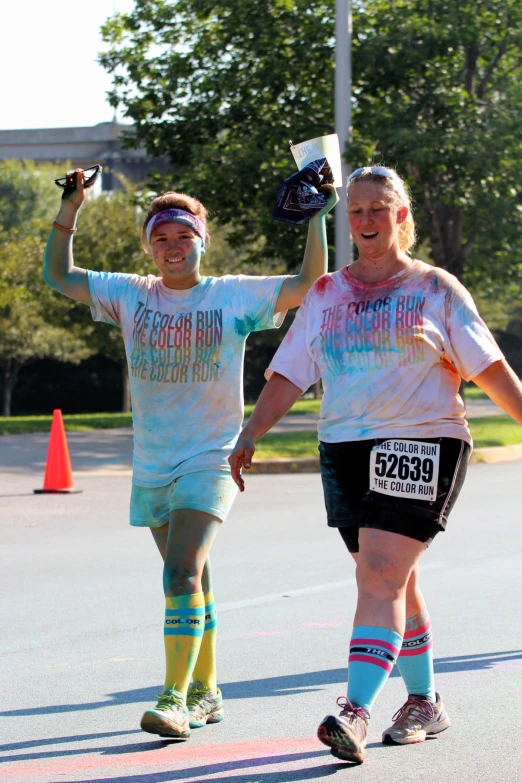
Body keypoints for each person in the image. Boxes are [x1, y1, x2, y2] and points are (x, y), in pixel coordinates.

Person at [229, 165, 522, 763]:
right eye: (356, 209)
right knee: (394, 579)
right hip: (345, 450)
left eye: (378, 208)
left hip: (423, 442)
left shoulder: (435, 289)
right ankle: (425, 701)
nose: (365, 219)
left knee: (380, 573)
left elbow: (489, 368)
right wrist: (251, 431)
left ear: (401, 216)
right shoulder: (326, 293)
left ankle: (354, 710)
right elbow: (290, 372)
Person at [43, 168, 338, 739]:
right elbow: (58, 274)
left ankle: (174, 697)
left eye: (184, 236)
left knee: (180, 571)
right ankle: (208, 692)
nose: (173, 247)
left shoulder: (233, 295)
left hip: (211, 456)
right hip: (154, 462)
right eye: (161, 238)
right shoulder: (130, 294)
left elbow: (308, 281)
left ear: (203, 240)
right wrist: (71, 207)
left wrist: (317, 218)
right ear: (149, 247)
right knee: (191, 578)